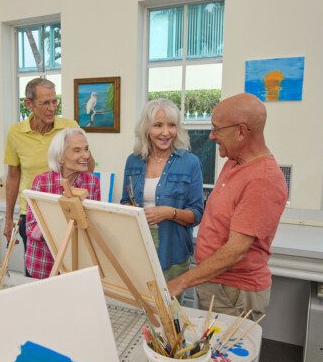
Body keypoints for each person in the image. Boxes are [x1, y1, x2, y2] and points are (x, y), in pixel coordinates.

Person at [166, 93, 288, 320]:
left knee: (225, 354)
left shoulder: (263, 179)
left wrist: (181, 282)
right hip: (217, 284)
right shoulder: (234, 161)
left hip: (233, 293)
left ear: (241, 131)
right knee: (210, 352)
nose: (212, 136)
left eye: (217, 129)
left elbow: (236, 250)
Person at [3, 78, 94, 275]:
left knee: (70, 270)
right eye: (45, 103)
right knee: (39, 268)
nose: (52, 108)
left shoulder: (69, 127)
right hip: (32, 213)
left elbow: (88, 167)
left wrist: (81, 153)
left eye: (55, 101)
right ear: (29, 104)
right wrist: (9, 217)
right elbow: (12, 176)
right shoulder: (15, 132)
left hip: (66, 208)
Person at [121, 98, 204, 283]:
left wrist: (169, 213)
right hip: (138, 246)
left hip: (173, 250)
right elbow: (125, 200)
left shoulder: (190, 162)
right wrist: (131, 209)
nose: (166, 132)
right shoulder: (133, 160)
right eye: (158, 125)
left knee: (170, 309)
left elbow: (197, 214)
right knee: (140, 307)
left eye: (172, 125)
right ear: (146, 129)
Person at [25, 128, 100, 279]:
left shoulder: (92, 182)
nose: (85, 155)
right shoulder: (42, 182)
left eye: (86, 149)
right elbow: (31, 226)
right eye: (77, 150)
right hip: (44, 264)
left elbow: (94, 223)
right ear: (60, 157)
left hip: (77, 266)